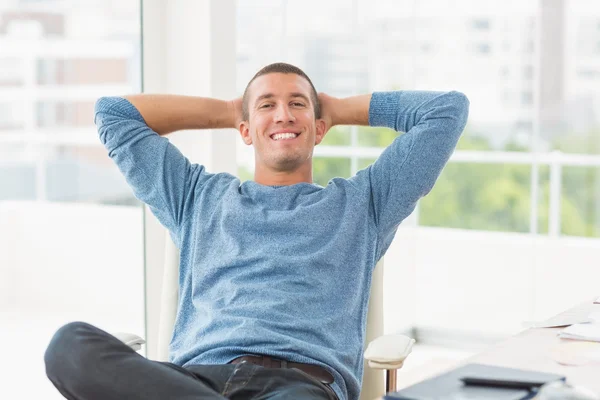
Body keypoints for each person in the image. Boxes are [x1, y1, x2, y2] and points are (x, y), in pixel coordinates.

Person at [44, 62, 469, 400]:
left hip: (301, 386)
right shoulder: (196, 196)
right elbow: (114, 114)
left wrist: (336, 108)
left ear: (320, 127)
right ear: (245, 130)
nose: (283, 113)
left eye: (299, 104)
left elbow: (446, 110)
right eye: (266, 105)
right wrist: (231, 111)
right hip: (195, 382)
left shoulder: (365, 203)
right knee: (69, 346)